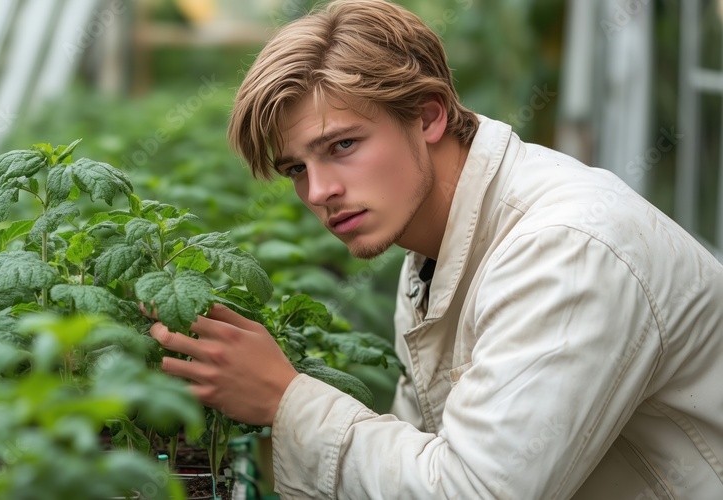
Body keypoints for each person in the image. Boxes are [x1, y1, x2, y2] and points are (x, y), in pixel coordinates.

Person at [148, 1, 723, 498]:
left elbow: (475, 490)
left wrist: (286, 400)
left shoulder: (564, 250)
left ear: (428, 115)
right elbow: (420, 454)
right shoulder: (430, 252)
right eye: (297, 168)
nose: (319, 192)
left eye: (342, 145)